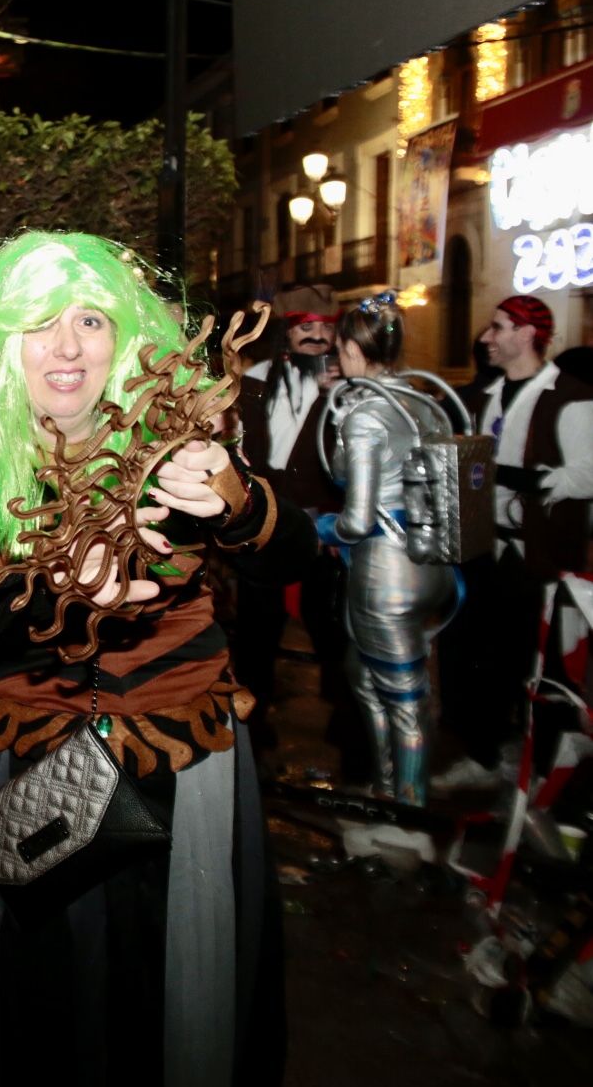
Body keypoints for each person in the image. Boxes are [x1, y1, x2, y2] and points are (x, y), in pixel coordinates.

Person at [0, 232, 298, 1087]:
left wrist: (236, 500)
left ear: (128, 337)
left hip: (186, 762)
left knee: (178, 995)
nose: (65, 348)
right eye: (37, 324)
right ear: (0, 343)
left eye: (90, 320)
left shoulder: (177, 441)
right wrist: (36, 585)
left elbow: (288, 566)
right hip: (35, 768)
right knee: (38, 1011)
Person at [435, 295, 593, 791]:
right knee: (468, 656)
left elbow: (587, 475)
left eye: (498, 327)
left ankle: (540, 773)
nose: (486, 337)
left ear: (526, 334)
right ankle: (482, 757)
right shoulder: (488, 396)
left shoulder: (572, 396)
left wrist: (522, 480)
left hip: (539, 557)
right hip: (487, 550)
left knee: (535, 667)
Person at [314, 294, 458, 805]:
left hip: (385, 574)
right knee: (366, 677)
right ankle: (385, 792)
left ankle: (410, 813)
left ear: (353, 347)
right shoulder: (424, 402)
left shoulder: (367, 414)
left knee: (404, 699)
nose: (335, 356)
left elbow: (356, 518)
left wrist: (318, 528)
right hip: (432, 564)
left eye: (339, 347)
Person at [236, 282, 363, 777]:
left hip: (325, 533)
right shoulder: (254, 381)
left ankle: (352, 744)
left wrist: (340, 402)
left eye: (326, 330)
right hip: (264, 528)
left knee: (335, 638)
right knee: (256, 640)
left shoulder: (348, 387)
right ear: (286, 334)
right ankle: (251, 735)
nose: (317, 338)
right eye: (305, 328)